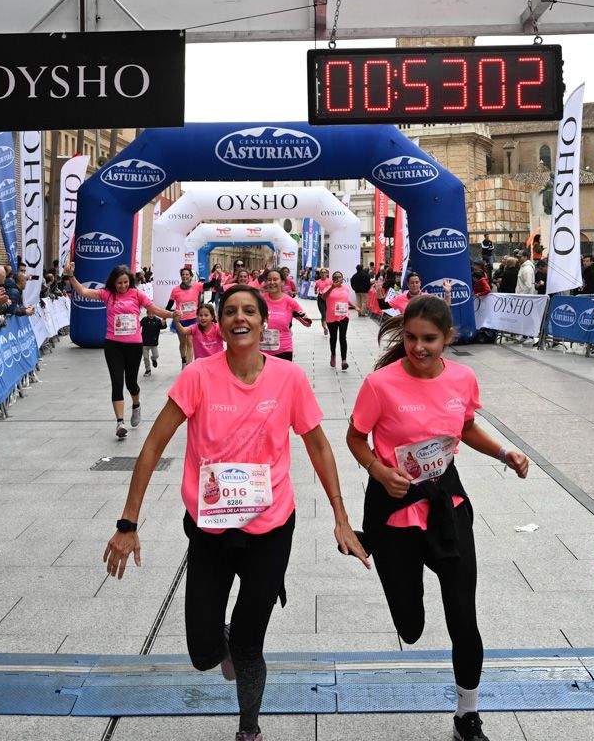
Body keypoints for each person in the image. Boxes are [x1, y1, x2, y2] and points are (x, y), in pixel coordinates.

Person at [103, 285, 369, 741]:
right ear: (220, 322)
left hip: (271, 528)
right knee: (204, 651)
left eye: (249, 311)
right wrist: (128, 523)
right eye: (230, 311)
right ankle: (220, 639)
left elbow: (320, 447)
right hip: (210, 530)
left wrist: (340, 517)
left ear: (266, 321)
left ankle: (249, 729)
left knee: (249, 644)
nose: (239, 318)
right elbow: (152, 447)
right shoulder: (198, 376)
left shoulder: (289, 378)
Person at [347, 295, 529, 741]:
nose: (418, 347)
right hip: (393, 504)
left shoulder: (463, 378)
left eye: (429, 339)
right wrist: (378, 470)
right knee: (410, 627)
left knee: (463, 618)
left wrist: (505, 452)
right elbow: (355, 437)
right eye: (410, 338)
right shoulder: (380, 384)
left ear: (448, 338)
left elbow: (464, 427)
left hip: (447, 504)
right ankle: (385, 562)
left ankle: (468, 715)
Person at [69, 266, 174, 438]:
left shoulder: (136, 294)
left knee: (131, 382)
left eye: (125, 282)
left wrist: (171, 315)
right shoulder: (107, 294)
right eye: (119, 283)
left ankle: (136, 405)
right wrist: (70, 276)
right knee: (117, 382)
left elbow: (154, 309)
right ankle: (119, 423)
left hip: (134, 346)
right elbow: (83, 291)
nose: (123, 286)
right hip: (113, 345)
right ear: (113, 282)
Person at [259, 269, 313, 361]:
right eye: (269, 279)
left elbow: (307, 323)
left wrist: (303, 317)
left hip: (283, 350)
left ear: (282, 282)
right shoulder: (260, 300)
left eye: (275, 279)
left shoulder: (290, 302)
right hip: (261, 351)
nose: (272, 282)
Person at [320, 269, 358, 371]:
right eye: (335, 277)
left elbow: (347, 300)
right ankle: (333, 355)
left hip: (343, 316)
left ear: (342, 279)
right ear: (332, 279)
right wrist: (332, 287)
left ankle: (344, 361)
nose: (337, 278)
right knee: (333, 338)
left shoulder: (346, 289)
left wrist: (355, 306)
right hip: (331, 317)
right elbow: (323, 297)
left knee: (342, 338)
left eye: (339, 276)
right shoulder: (328, 287)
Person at [169, 266, 205, 365]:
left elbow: (210, 285)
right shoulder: (175, 290)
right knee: (183, 343)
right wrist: (164, 316)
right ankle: (183, 360)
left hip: (193, 319)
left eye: (187, 274)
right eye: (183, 275)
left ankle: (189, 365)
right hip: (180, 320)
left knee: (190, 342)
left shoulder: (197, 286)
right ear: (181, 276)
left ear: (191, 276)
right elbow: (169, 305)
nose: (185, 276)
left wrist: (216, 277)